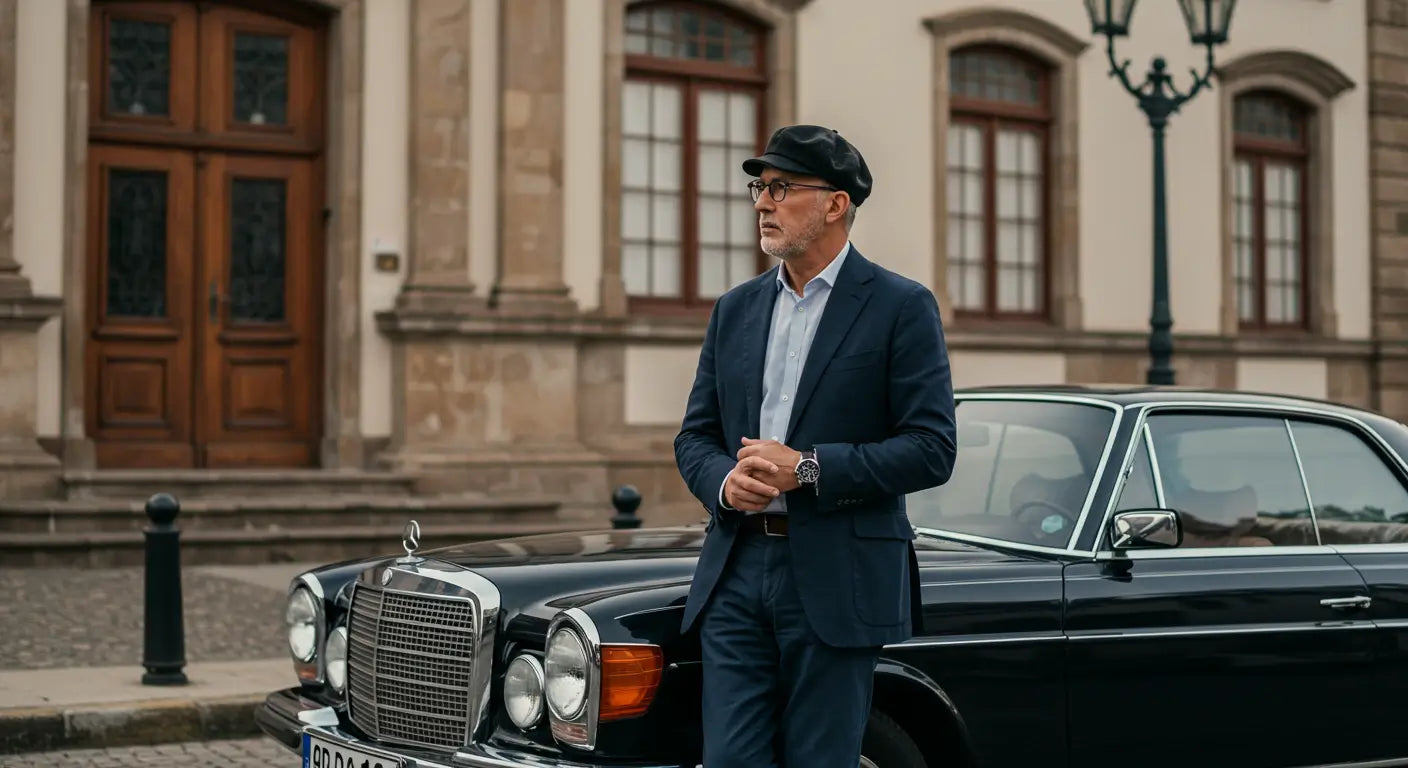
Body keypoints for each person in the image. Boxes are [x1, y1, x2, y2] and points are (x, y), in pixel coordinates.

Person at [673, 124, 958, 768]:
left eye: (781, 188)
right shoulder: (735, 309)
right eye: (759, 187)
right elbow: (695, 436)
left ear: (835, 204)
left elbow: (932, 448)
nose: (761, 203)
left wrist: (805, 469)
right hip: (737, 571)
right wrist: (724, 481)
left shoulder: (900, 306)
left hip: (838, 577)